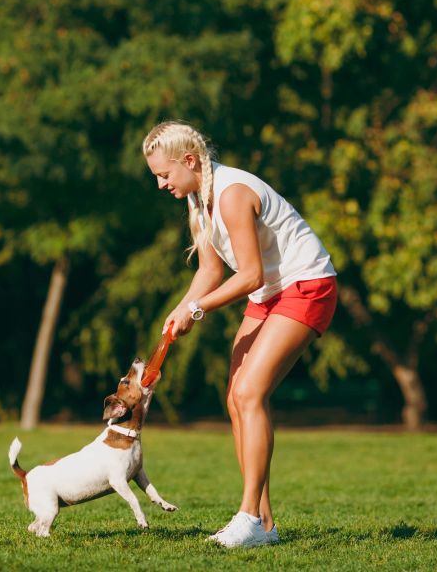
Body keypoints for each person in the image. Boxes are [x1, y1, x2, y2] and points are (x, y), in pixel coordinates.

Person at [143, 121, 338, 548]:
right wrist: (180, 309)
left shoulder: (231, 194)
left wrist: (198, 308)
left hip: (306, 286)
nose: (161, 184)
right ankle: (264, 526)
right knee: (236, 395)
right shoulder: (200, 200)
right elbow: (212, 270)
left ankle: (248, 517)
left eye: (164, 174)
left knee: (250, 393)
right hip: (271, 291)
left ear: (190, 161)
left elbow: (250, 275)